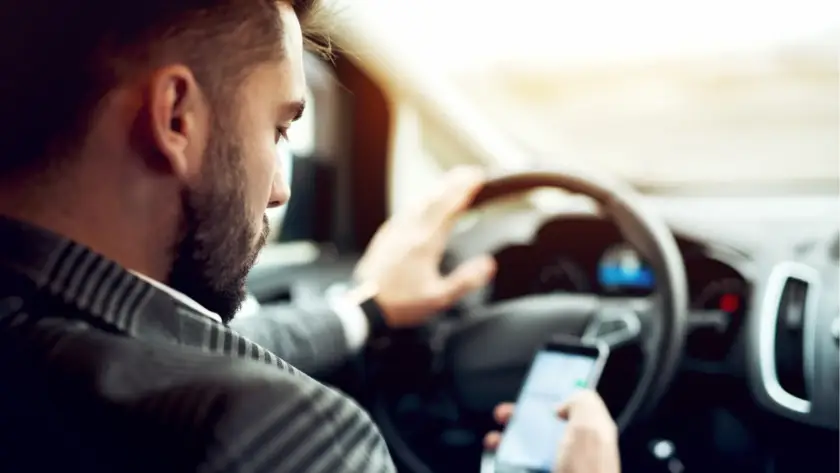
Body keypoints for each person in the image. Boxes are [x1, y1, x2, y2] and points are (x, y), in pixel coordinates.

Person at [0, 1, 620, 472]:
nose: (279, 191)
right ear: (176, 119)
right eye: (277, 129)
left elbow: (210, 339)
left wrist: (368, 307)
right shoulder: (287, 435)